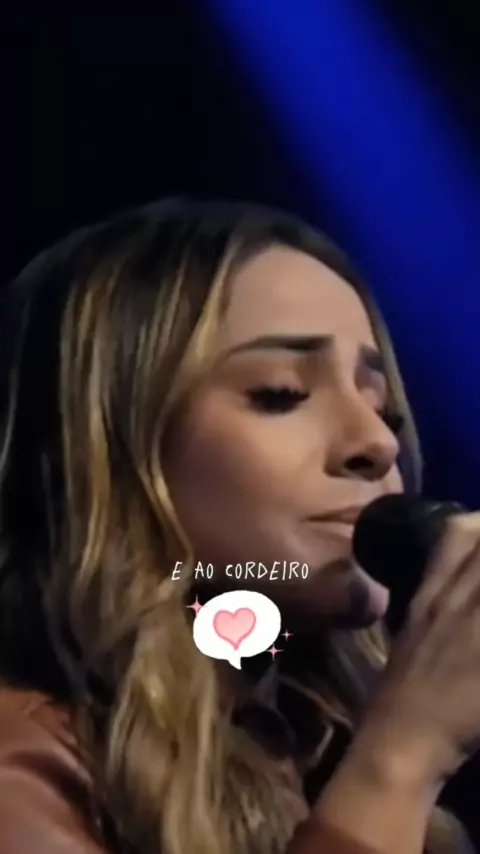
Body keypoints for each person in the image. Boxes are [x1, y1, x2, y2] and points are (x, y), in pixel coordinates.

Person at [0, 198, 476, 854]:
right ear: (104, 451)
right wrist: (401, 760)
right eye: (281, 393)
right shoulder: (23, 770)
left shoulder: (318, 750)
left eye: (384, 409)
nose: (379, 443)